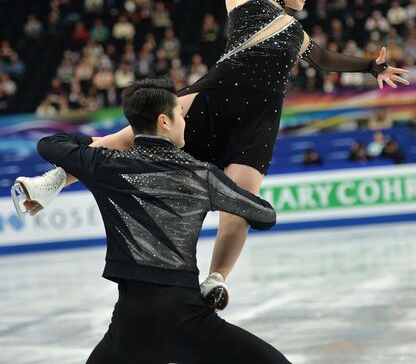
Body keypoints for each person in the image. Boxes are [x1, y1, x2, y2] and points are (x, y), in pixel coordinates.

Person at [14, 0, 411, 309]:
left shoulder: (296, 32)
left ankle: (215, 279)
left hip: (258, 123)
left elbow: (325, 59)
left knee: (237, 208)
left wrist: (371, 66)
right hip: (212, 98)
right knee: (127, 140)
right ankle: (51, 180)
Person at [34, 78, 291, 364]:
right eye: (181, 115)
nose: (185, 122)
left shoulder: (105, 165)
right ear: (164, 121)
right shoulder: (201, 175)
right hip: (186, 317)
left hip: (129, 326)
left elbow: (50, 144)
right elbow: (265, 215)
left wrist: (92, 147)